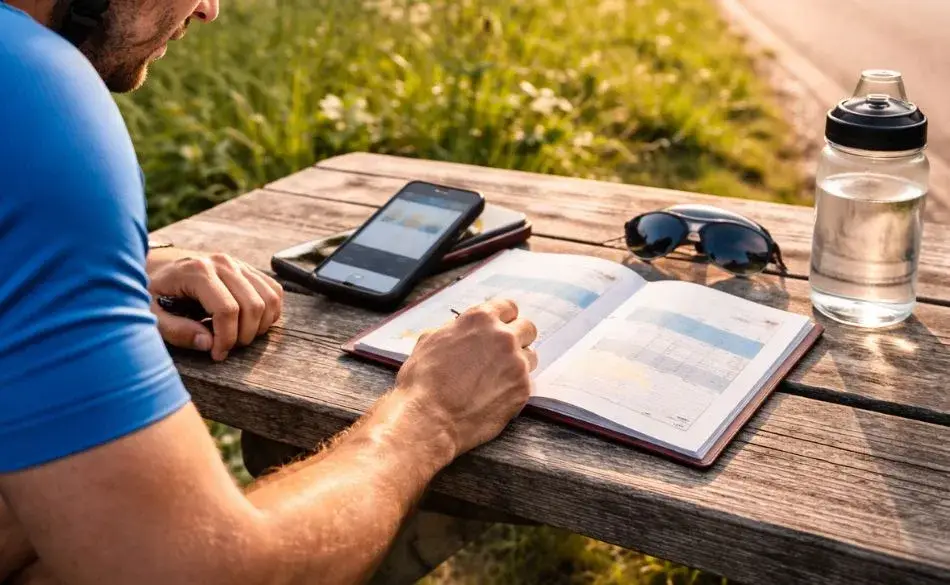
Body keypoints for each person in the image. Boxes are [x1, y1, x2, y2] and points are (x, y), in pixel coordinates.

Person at [0, 0, 539, 584]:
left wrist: (99, 271)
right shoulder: (33, 93)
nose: (208, 9)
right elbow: (203, 572)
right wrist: (432, 417)